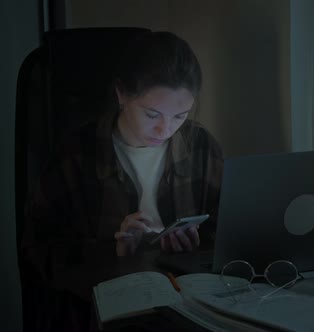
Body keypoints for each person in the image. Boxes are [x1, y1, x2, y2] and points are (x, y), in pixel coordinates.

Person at [21, 31, 223, 331]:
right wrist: (113, 255)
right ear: (121, 94)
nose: (164, 129)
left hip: (185, 312)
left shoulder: (202, 148)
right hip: (105, 316)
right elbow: (39, 252)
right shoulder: (76, 158)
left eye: (179, 116)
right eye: (152, 114)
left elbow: (228, 237)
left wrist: (195, 249)